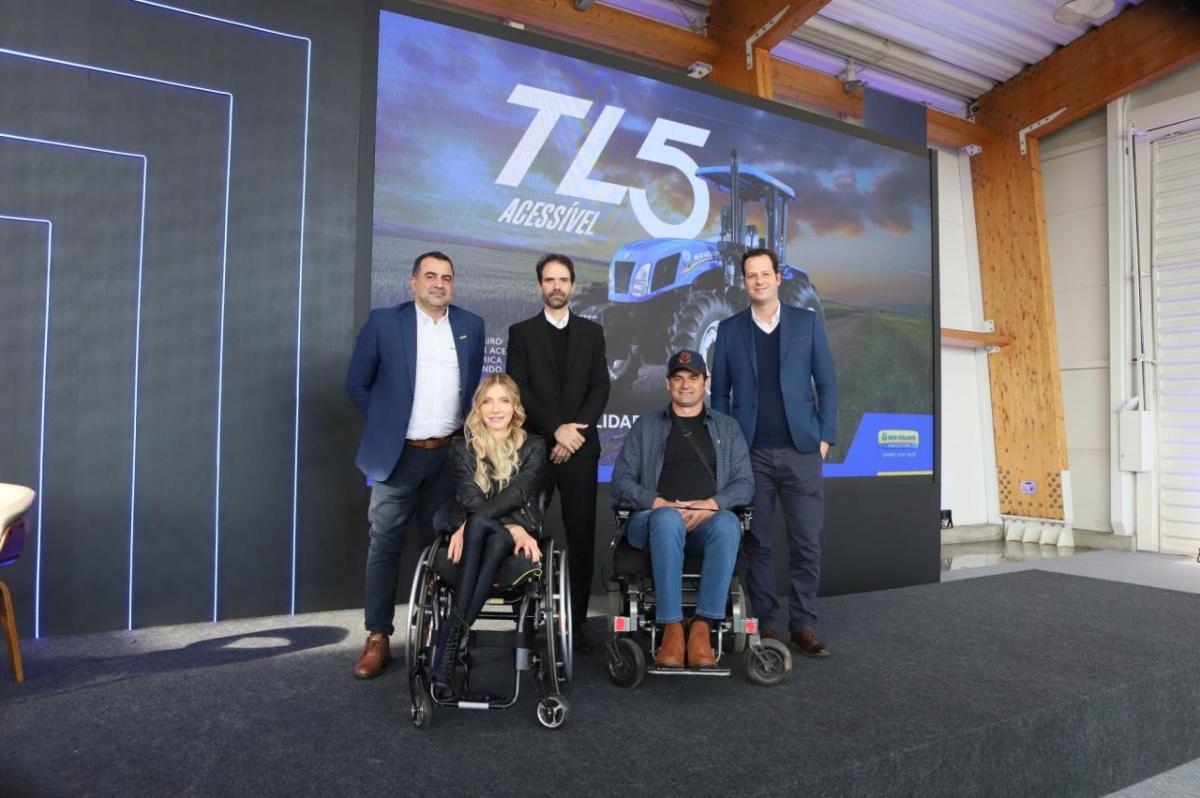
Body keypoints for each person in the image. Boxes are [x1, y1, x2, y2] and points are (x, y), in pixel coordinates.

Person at [344, 251, 485, 679]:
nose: (439, 283)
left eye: (446, 277)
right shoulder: (386, 322)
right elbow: (357, 384)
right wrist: (390, 426)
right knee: (385, 544)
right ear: (413, 282)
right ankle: (377, 638)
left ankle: (444, 635)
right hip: (398, 456)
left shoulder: (471, 326)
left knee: (443, 547)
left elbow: (471, 388)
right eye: (430, 276)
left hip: (447, 457)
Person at [710, 248, 837, 657]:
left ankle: (803, 625)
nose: (759, 281)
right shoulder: (729, 331)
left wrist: (825, 437)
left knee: (807, 544)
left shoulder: (807, 323)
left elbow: (828, 384)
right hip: (751, 457)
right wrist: (728, 446)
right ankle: (767, 623)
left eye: (765, 274)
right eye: (751, 275)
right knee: (757, 544)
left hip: (801, 451)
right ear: (743, 281)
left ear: (778, 278)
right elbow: (720, 394)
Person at [611, 350, 753, 669]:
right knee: (666, 519)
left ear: (706, 382)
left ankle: (702, 628)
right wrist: (657, 502)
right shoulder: (646, 427)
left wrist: (712, 505)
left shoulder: (727, 429)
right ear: (667, 384)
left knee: (729, 523)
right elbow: (620, 480)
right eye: (678, 378)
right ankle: (672, 629)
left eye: (693, 379)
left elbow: (745, 483)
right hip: (652, 522)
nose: (685, 385)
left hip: (707, 522)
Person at [506, 253, 609, 644]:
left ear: (573, 285)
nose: (556, 287)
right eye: (549, 280)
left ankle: (577, 622)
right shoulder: (521, 332)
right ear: (539, 286)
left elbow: (600, 386)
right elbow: (519, 389)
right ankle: (527, 622)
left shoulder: (592, 332)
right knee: (525, 533)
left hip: (580, 451)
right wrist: (556, 432)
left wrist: (573, 435)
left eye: (563, 280)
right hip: (536, 450)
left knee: (581, 536)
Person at [429, 373, 546, 690]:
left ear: (515, 407)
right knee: (486, 529)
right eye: (488, 401)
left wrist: (482, 524)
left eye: (504, 400)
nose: (496, 409)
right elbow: (470, 498)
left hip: (515, 533)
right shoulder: (461, 447)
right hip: (492, 539)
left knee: (479, 522)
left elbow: (519, 493)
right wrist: (496, 524)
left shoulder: (534, 446)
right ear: (478, 408)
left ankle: (450, 644)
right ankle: (456, 640)